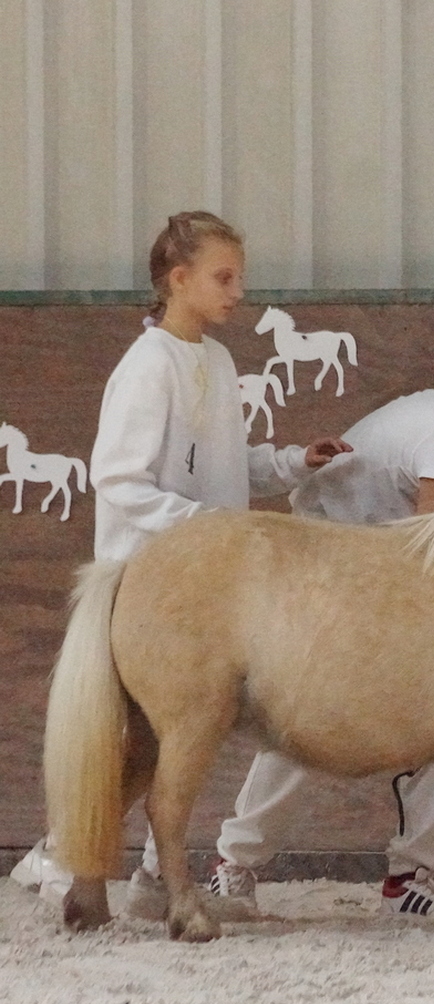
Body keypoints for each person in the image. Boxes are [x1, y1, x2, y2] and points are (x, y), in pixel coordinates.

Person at [9, 211, 349, 905]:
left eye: (240, 279)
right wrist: (206, 530)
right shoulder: (146, 367)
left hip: (203, 579)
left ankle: (126, 874)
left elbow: (224, 465)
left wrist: (291, 462)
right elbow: (120, 480)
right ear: (179, 279)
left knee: (172, 738)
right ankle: (75, 861)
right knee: (137, 740)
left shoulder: (217, 361)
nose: (238, 293)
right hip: (148, 579)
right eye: (224, 278)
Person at [203, 314, 434, 917]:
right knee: (312, 713)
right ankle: (234, 866)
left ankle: (411, 879)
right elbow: (432, 558)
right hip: (335, 551)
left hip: (386, 558)